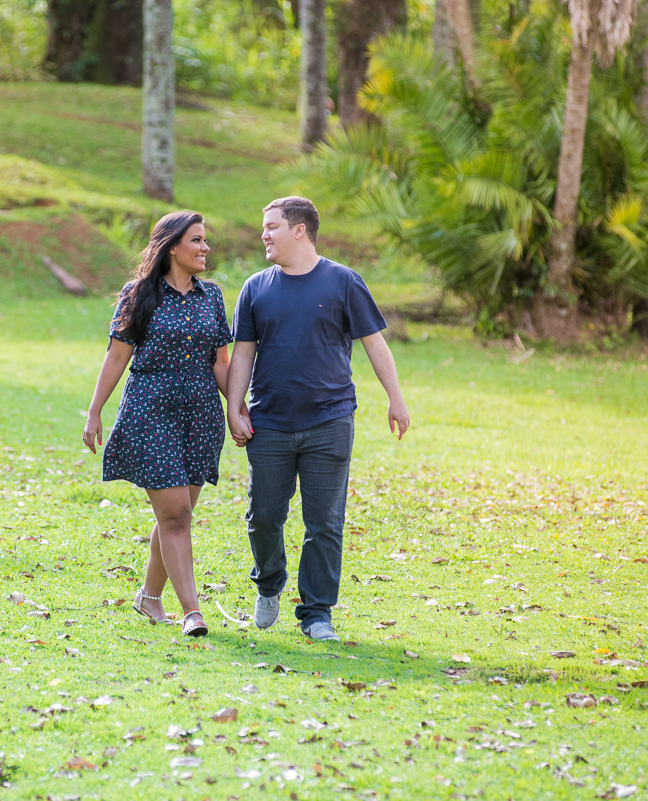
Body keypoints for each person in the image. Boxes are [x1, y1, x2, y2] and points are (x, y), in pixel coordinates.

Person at [226, 196, 410, 642]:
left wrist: (395, 398)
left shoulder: (343, 282)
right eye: (263, 227)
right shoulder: (255, 287)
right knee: (263, 516)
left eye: (271, 226)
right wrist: (234, 407)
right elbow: (243, 354)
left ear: (299, 230)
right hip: (269, 422)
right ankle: (269, 585)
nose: (263, 234)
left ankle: (316, 613)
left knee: (325, 521)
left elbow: (374, 343)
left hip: (330, 421)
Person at [82, 210, 247, 637]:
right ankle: (193, 611)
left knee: (179, 513)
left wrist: (236, 408)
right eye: (197, 240)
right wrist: (95, 410)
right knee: (174, 514)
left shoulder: (211, 296)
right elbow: (117, 355)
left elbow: (220, 361)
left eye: (206, 240)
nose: (205, 248)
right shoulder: (139, 293)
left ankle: (149, 598)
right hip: (151, 411)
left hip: (201, 416)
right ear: (172, 245)